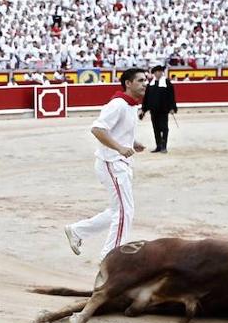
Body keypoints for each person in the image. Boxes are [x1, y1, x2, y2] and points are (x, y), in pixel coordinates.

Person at [64, 69, 148, 262]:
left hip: (118, 163)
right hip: (112, 163)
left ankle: (77, 231)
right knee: (125, 211)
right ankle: (111, 257)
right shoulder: (118, 104)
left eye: (146, 80)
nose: (145, 84)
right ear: (128, 83)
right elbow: (97, 129)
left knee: (116, 210)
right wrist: (119, 148)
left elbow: (117, 130)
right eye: (141, 80)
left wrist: (131, 142)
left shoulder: (130, 105)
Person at [139, 64, 176, 152]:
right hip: (153, 110)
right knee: (156, 128)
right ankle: (158, 146)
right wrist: (144, 110)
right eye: (156, 72)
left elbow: (171, 96)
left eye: (159, 72)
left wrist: (172, 107)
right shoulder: (150, 84)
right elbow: (146, 98)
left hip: (164, 110)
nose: (158, 73)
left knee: (164, 128)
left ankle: (164, 146)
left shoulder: (167, 83)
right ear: (154, 73)